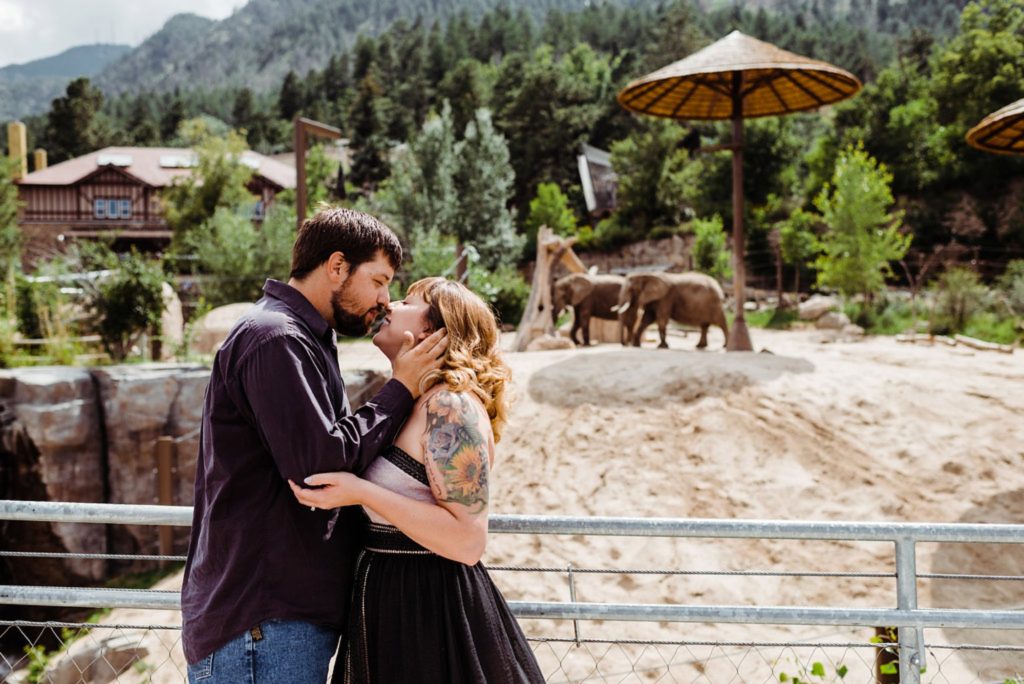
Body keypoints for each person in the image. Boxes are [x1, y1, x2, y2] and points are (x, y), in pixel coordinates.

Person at [181, 208, 448, 684]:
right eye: (380, 280)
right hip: (262, 624)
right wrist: (402, 387)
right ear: (337, 266)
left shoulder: (304, 337)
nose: (385, 300)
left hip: (275, 625)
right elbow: (320, 466)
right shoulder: (275, 339)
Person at [290, 277, 545, 684]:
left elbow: (468, 541)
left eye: (407, 300)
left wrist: (360, 491)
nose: (389, 304)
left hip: (431, 609)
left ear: (433, 330)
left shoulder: (450, 407)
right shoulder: (415, 402)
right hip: (390, 601)